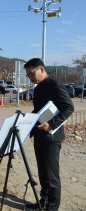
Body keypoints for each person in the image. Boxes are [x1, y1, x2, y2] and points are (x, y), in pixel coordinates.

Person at [24, 58, 74, 211]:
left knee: (52, 176)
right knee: (42, 173)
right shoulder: (38, 87)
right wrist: (26, 121)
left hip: (51, 137)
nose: (30, 77)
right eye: (28, 75)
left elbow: (68, 107)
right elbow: (38, 110)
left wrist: (51, 124)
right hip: (39, 135)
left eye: (31, 73)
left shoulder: (55, 85)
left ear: (41, 69)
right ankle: (43, 201)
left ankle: (52, 207)